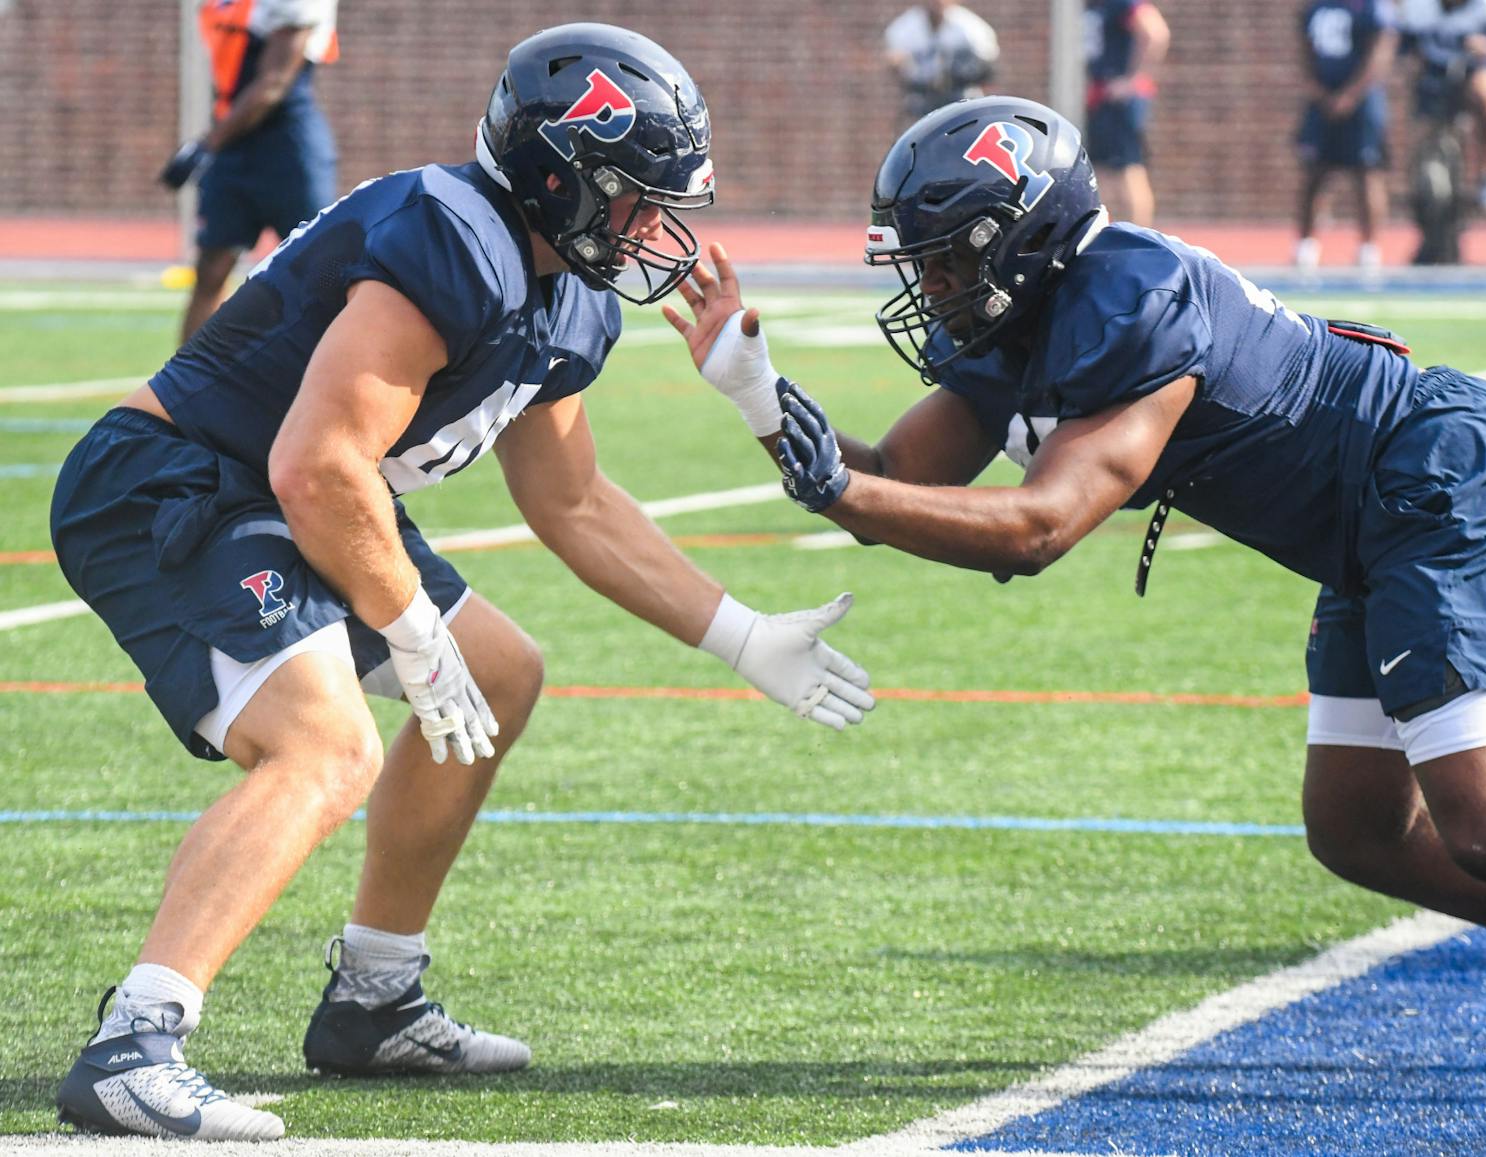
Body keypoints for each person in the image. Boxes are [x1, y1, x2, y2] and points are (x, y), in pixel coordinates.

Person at [665, 95, 1486, 1074]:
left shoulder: (1129, 298)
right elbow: (896, 481)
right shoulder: (1023, 314)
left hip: (1431, 472)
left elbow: (1034, 529)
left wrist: (837, 486)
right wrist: (759, 398)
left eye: (947, 261)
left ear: (1022, 241)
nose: (930, 288)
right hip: (1366, 520)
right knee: (1358, 829)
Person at [49, 23, 874, 1141]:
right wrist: (408, 626)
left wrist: (738, 633)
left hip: (290, 489)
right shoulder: (454, 238)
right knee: (326, 745)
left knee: (500, 671)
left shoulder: (569, 294)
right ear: (558, 178)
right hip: (178, 476)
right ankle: (136, 1042)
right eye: (636, 197)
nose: (655, 227)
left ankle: (374, 996)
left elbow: (573, 502)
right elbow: (315, 465)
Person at [161, 0, 342, 345]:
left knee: (317, 272)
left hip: (287, 149)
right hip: (234, 141)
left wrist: (207, 145)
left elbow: (273, 83)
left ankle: (327, 373)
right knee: (211, 270)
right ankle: (186, 376)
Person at [1294, 0, 1401, 273]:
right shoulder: (1317, 5)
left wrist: (1350, 96)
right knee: (1315, 172)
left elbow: (1380, 51)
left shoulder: (1372, 6)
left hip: (1363, 102)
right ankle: (1307, 245)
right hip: (1322, 101)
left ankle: (1369, 248)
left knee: (1367, 171)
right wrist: (1318, 91)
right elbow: (1305, 49)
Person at [1400, 0, 1486, 217]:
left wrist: (1485, 48)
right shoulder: (1418, 7)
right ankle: (1422, 195)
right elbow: (1402, 48)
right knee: (1428, 163)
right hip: (1434, 82)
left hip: (1473, 74)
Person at [1083, 0, 1169, 228]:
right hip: (1102, 98)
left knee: (1127, 167)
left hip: (1120, 102)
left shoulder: (1121, 3)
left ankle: (1139, 237)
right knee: (1100, 170)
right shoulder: (1095, 6)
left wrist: (1133, 81)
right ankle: (1105, 233)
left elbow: (1155, 33)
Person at [884, 0, 1000, 122]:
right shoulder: (904, 28)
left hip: (961, 97)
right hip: (922, 99)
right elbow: (895, 61)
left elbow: (988, 61)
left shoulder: (970, 27)